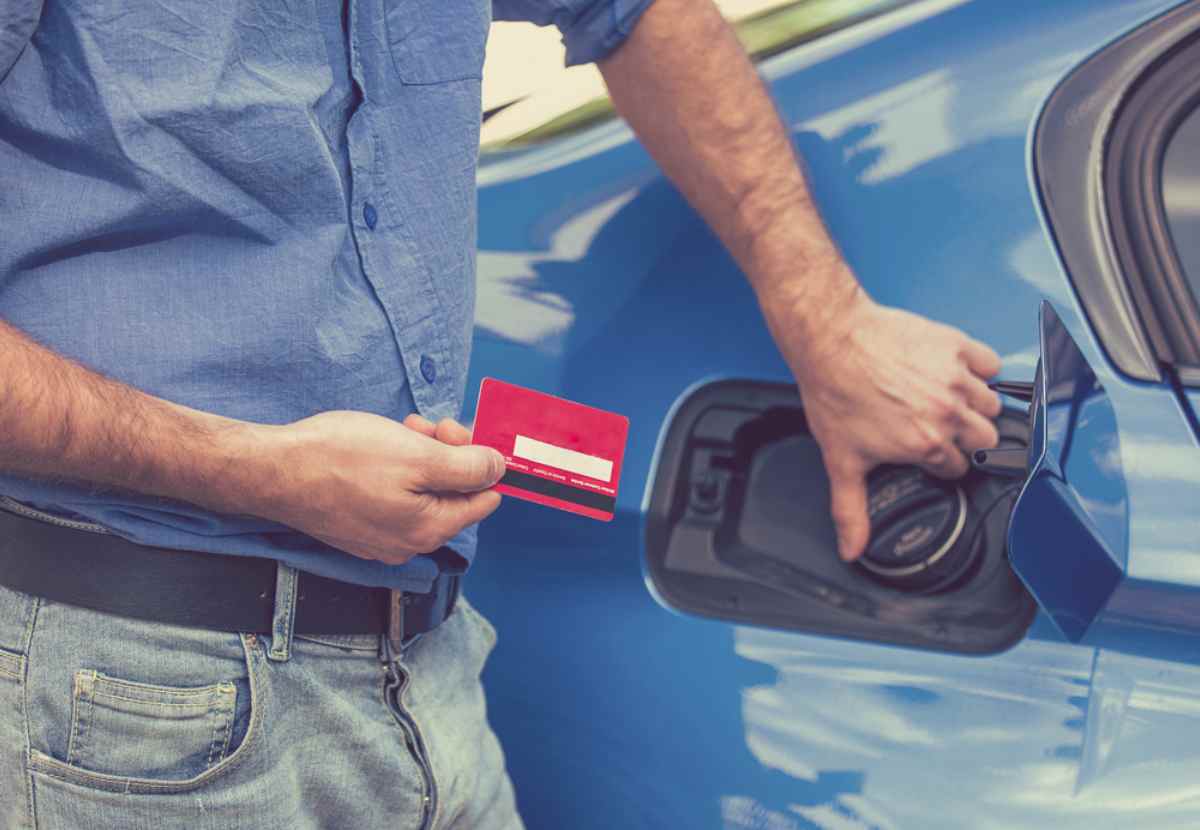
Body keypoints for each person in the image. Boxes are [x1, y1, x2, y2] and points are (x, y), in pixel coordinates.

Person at [0, 0, 1003, 827]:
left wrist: (827, 321)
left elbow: (640, 11)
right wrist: (257, 469)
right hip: (137, 690)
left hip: (428, 673)